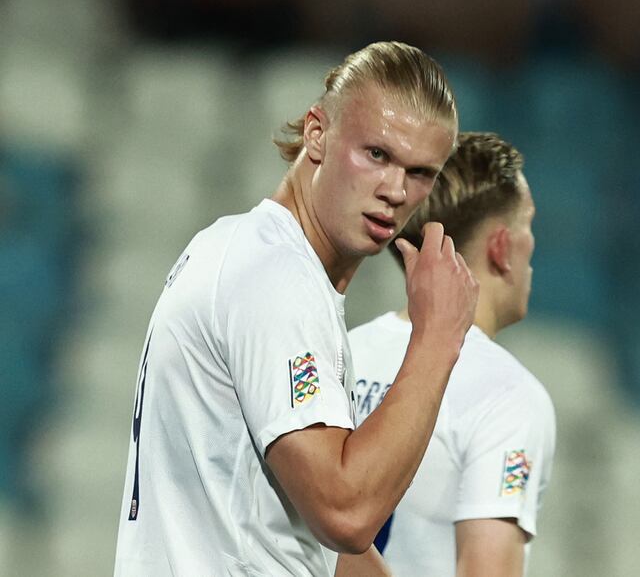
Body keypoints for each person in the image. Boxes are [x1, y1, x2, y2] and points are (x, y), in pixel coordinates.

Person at [113, 41, 479, 577]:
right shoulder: (275, 278)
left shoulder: (245, 252)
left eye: (421, 171)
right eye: (376, 154)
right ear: (317, 133)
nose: (396, 190)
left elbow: (308, 538)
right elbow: (345, 511)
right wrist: (437, 337)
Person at [349, 132, 556, 576]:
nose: (532, 247)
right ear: (501, 247)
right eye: (529, 226)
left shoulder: (337, 353)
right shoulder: (507, 395)